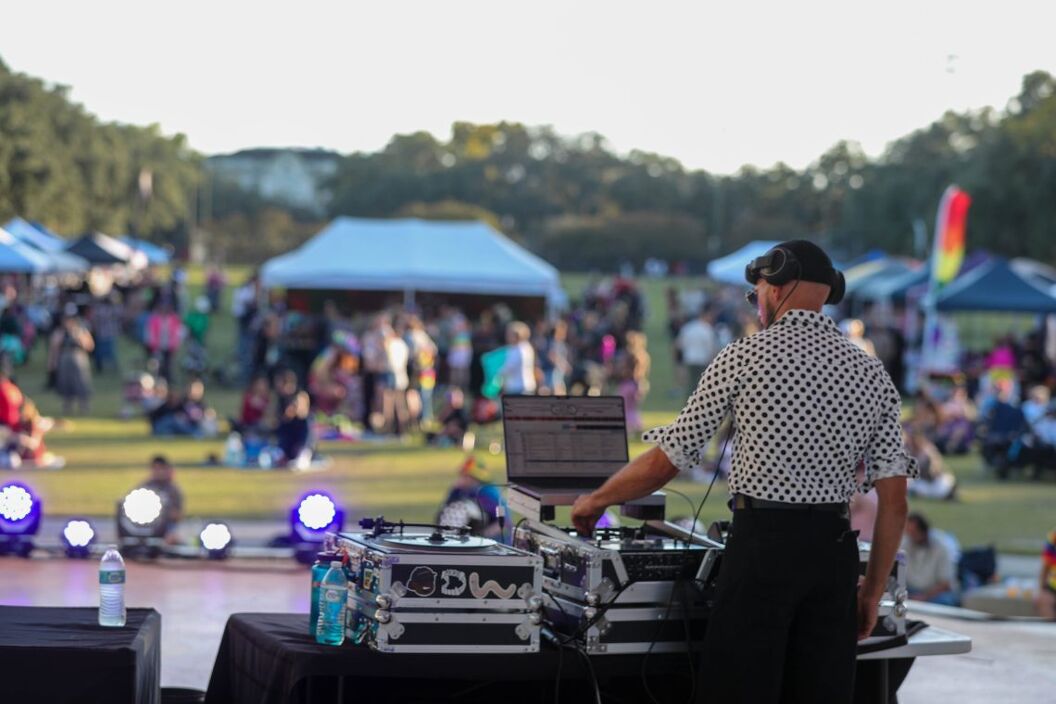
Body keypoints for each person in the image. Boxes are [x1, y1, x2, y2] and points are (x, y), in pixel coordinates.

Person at [571, 240, 915, 703]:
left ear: (776, 286)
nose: (757, 305)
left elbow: (669, 458)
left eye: (757, 293)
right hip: (833, 554)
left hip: (762, 549)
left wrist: (596, 500)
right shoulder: (872, 372)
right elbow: (894, 503)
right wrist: (872, 594)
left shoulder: (744, 357)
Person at [903, 513, 959, 606]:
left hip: (934, 593)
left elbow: (945, 583)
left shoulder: (942, 547)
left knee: (945, 601)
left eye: (914, 532)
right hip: (911, 591)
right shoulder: (905, 543)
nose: (911, 536)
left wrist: (923, 597)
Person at [49, 305, 94, 414]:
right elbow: (54, 348)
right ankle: (67, 405)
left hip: (79, 357)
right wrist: (52, 363)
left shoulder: (81, 331)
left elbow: (90, 346)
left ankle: (84, 405)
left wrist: (80, 338)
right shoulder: (60, 332)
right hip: (65, 358)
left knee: (81, 381)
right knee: (66, 382)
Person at [137, 455, 183, 544]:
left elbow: (177, 515)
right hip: (146, 524)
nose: (158, 472)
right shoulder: (144, 487)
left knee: (172, 537)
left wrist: (162, 513)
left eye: (160, 468)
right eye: (155, 469)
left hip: (167, 526)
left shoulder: (173, 489)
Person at [676, 305, 718, 392]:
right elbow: (711, 348)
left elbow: (679, 345)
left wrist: (679, 364)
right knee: (702, 386)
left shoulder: (688, 327)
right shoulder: (707, 329)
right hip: (702, 361)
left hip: (689, 360)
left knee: (690, 386)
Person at [500, 321, 537, 395]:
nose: (507, 337)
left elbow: (509, 368)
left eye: (510, 334)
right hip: (527, 385)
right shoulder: (527, 347)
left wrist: (498, 373)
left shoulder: (518, 349)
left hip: (518, 387)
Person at [1036, 527, 1056, 620]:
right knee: (1043, 600)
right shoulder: (1054, 537)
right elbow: (1046, 566)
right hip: (1052, 587)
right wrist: (1042, 589)